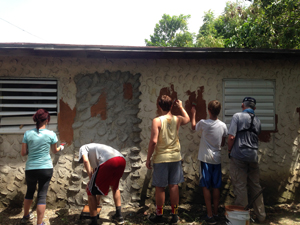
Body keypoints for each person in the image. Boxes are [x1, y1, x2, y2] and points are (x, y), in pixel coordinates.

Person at [146, 95, 190, 225]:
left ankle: (159, 215)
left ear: (159, 106)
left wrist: (148, 158)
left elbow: (153, 141)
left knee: (160, 188)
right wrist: (181, 107)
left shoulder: (157, 121)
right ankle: (174, 215)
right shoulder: (177, 119)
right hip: (175, 158)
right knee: (174, 186)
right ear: (171, 106)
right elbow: (187, 118)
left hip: (161, 158)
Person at [21, 109, 64, 225]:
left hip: (30, 168)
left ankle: (25, 217)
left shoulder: (27, 134)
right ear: (46, 120)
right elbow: (55, 151)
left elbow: (23, 153)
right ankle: (39, 223)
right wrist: (61, 147)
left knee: (29, 192)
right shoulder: (51, 134)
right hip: (45, 168)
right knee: (42, 195)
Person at [227, 97, 266, 222]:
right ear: (254, 108)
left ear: (242, 105)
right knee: (255, 185)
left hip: (239, 156)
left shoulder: (237, 116)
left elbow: (231, 137)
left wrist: (229, 150)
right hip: (253, 157)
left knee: (240, 186)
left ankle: (243, 218)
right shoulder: (258, 120)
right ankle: (261, 216)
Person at [191, 100, 228, 224]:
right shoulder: (223, 125)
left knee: (206, 186)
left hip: (206, 159)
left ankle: (209, 214)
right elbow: (222, 143)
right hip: (217, 159)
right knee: (216, 186)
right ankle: (216, 212)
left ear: (209, 110)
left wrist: (193, 114)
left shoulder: (204, 123)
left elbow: (193, 127)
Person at [78, 143, 126, 225]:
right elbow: (99, 182)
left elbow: (85, 161)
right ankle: (119, 216)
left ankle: (93, 222)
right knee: (115, 187)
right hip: (121, 160)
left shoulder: (83, 148)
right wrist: (97, 200)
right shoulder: (97, 150)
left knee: (90, 190)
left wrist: (90, 178)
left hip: (108, 162)